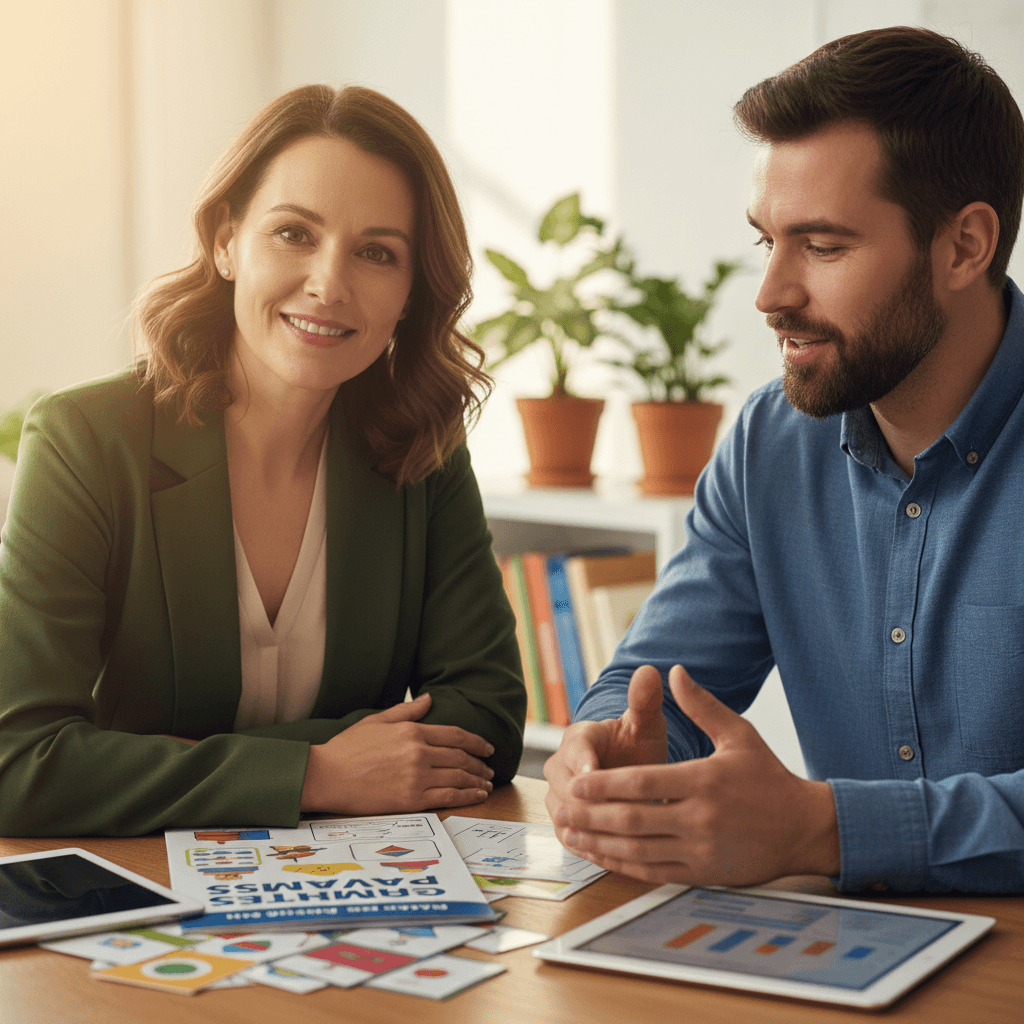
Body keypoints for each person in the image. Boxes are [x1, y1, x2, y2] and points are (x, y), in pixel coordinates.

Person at [545, 26, 1024, 894]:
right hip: (847, 957)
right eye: (768, 240)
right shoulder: (771, 441)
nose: (771, 295)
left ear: (964, 246)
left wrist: (825, 829)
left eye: (825, 246)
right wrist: (614, 744)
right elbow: (654, 678)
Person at [0, 85, 526, 837]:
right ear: (226, 242)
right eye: (294, 234)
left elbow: (487, 722)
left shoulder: (423, 451)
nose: (329, 284)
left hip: (355, 893)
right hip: (136, 899)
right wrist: (321, 772)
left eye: (377, 253)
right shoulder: (88, 439)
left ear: (411, 292)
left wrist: (151, 761)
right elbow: (17, 761)